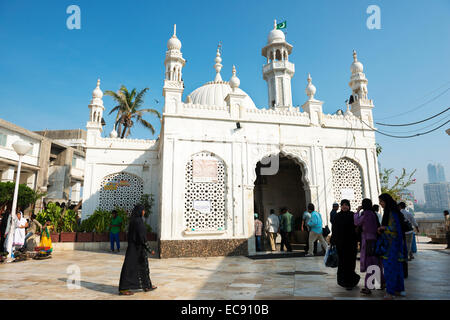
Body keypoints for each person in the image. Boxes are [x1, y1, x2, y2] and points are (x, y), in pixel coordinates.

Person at [119, 204, 157, 295]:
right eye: (143, 210)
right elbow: (141, 237)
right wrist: (149, 249)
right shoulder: (138, 222)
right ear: (140, 211)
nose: (144, 212)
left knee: (143, 267)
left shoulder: (135, 220)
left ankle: (147, 285)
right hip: (134, 249)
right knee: (129, 268)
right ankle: (123, 288)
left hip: (137, 248)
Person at [378, 193, 407, 299]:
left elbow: (393, 228)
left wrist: (383, 229)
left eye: (381, 201)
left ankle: (390, 292)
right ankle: (399, 290)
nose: (380, 204)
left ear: (386, 201)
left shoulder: (390, 213)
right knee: (398, 268)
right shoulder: (395, 212)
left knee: (390, 269)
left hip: (391, 245)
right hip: (397, 245)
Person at [354, 199, 385, 295]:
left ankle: (368, 287)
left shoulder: (366, 214)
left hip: (368, 241)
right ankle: (381, 283)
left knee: (370, 263)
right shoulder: (373, 214)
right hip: (374, 240)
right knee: (376, 262)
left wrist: (357, 211)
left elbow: (356, 222)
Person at [330, 199, 360, 290]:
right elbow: (334, 229)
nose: (344, 206)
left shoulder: (352, 215)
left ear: (349, 206)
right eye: (343, 205)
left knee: (350, 263)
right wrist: (333, 241)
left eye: (346, 205)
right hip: (341, 244)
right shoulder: (337, 216)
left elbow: (357, 227)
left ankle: (350, 282)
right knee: (342, 263)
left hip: (351, 244)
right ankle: (343, 282)